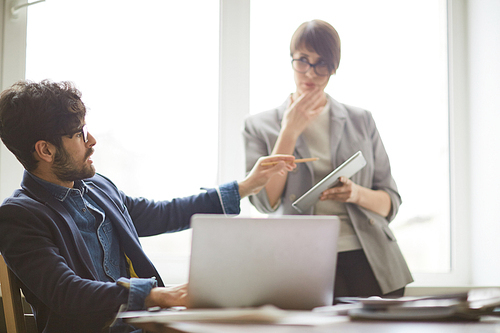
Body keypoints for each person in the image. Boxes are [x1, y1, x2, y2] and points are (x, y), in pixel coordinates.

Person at [0, 80, 297, 332]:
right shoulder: (19, 216)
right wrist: (160, 296)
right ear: (45, 150)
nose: (91, 140)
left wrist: (245, 187)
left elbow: (162, 213)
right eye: (78, 134)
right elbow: (69, 293)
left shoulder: (99, 187)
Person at [243, 19, 413, 300]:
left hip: (369, 256)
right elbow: (265, 202)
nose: (310, 72)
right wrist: (290, 130)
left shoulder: (361, 120)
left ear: (334, 68)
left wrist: (355, 193)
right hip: (301, 257)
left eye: (322, 63)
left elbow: (389, 201)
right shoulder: (259, 125)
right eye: (303, 60)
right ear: (292, 60)